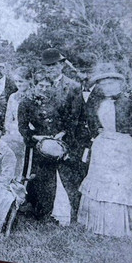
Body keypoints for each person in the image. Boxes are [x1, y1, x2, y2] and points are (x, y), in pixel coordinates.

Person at [77, 63, 132, 237]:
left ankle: (128, 225)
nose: (108, 87)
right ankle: (103, 225)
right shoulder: (97, 103)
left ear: (119, 84)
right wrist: (98, 131)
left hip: (124, 145)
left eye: (111, 84)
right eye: (104, 84)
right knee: (103, 182)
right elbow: (91, 122)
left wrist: (130, 138)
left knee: (123, 182)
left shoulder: (129, 102)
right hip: (103, 145)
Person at [41, 48, 88, 221]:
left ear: (61, 65)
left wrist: (62, 133)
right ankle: (47, 213)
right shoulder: (40, 85)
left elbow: (75, 116)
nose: (50, 69)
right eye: (47, 66)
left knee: (69, 178)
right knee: (47, 179)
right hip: (45, 139)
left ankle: (74, 214)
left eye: (54, 65)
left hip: (68, 138)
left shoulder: (73, 86)